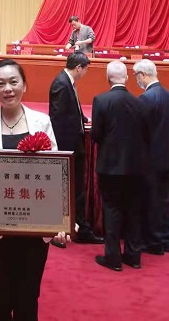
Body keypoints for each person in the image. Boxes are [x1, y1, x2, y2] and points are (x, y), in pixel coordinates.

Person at [0, 58, 66, 321]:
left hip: (34, 228)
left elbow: (55, 173)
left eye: (13, 82)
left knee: (27, 301)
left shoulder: (41, 121)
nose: (8, 88)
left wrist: (61, 220)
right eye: (0, 83)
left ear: (24, 85)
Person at [91, 60, 149, 271]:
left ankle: (113, 258)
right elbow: (146, 134)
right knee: (134, 210)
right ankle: (133, 257)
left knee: (112, 209)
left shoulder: (101, 100)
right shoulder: (140, 103)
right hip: (136, 166)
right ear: (126, 78)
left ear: (107, 78)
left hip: (110, 165)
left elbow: (96, 134)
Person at [48, 52, 103, 245]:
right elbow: (57, 120)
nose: (85, 73)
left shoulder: (66, 82)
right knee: (69, 190)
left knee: (76, 190)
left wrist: (84, 119)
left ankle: (79, 228)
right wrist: (63, 153)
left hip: (73, 145)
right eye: (86, 69)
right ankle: (62, 231)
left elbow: (71, 111)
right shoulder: (61, 84)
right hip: (68, 148)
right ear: (79, 67)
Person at [134, 59, 169, 254]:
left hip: (148, 159)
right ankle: (166, 240)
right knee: (163, 201)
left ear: (143, 75)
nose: (136, 80)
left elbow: (139, 130)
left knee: (149, 202)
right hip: (165, 157)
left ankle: (153, 243)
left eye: (136, 76)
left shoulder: (145, 99)